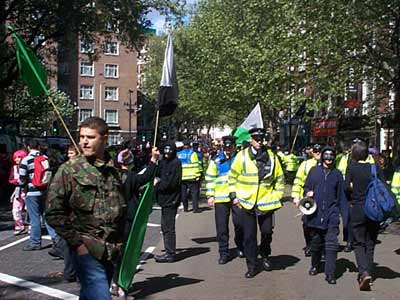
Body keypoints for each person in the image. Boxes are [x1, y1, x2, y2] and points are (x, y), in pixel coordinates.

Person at [45, 116, 160, 300]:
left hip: (111, 250)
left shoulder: (114, 171)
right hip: (87, 249)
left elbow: (123, 203)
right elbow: (53, 212)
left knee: (91, 294)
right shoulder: (69, 170)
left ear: (104, 138)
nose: (84, 141)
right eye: (82, 136)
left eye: (90, 137)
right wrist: (78, 244)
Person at [228, 127, 285, 278]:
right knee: (249, 236)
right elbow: (232, 177)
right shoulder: (242, 156)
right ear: (251, 140)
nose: (259, 142)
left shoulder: (272, 156)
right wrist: (234, 196)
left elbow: (279, 178)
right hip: (247, 202)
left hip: (267, 202)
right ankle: (252, 265)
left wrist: (278, 195)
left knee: (267, 232)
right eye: (256, 140)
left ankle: (265, 254)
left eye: (261, 140)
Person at [303, 146, 347, 285]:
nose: (329, 160)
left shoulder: (337, 175)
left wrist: (345, 217)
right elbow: (306, 187)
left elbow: (341, 197)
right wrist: (308, 192)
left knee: (331, 245)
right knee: (315, 244)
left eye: (331, 156)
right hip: (314, 215)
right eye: (326, 156)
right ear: (322, 157)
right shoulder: (314, 172)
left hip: (331, 215)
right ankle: (315, 264)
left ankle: (330, 273)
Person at [344, 140, 382, 291]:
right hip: (374, 209)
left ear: (353, 154)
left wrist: (352, 197)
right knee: (370, 242)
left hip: (358, 208)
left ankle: (363, 272)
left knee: (358, 242)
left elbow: (346, 187)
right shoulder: (375, 168)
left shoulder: (352, 167)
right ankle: (369, 273)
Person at [206, 136, 243, 265]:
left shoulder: (240, 158)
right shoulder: (216, 160)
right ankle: (223, 252)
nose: (228, 150)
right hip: (221, 199)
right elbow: (210, 178)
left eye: (230, 147)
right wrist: (210, 195)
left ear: (234, 146)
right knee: (221, 227)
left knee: (240, 224)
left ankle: (240, 246)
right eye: (225, 147)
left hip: (237, 198)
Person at [19, 139, 59, 251]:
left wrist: (23, 188)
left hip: (32, 192)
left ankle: (35, 242)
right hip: (44, 191)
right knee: (46, 216)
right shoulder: (45, 158)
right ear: (39, 147)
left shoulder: (26, 160)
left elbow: (22, 178)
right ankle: (56, 240)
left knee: (34, 218)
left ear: (28, 147)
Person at [154, 142, 182, 263]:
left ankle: (170, 254)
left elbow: (170, 183)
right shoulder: (164, 161)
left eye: (168, 153)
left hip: (171, 199)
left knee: (168, 227)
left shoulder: (175, 164)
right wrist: (154, 160)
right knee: (164, 226)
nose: (166, 155)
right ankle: (168, 251)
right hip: (164, 199)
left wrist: (158, 184)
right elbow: (157, 172)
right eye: (164, 153)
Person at [291, 143, 322, 257]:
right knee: (307, 224)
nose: (318, 153)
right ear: (312, 152)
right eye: (316, 150)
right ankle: (309, 244)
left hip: (322, 200)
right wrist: (296, 197)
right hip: (307, 200)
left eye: (320, 150)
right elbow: (298, 181)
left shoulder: (329, 164)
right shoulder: (305, 164)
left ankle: (320, 248)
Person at [177, 140, 202, 213]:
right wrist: (197, 175)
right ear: (189, 146)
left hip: (182, 177)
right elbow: (195, 165)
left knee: (183, 193)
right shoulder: (192, 154)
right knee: (194, 193)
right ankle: (195, 208)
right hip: (192, 177)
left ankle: (185, 208)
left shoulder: (178, 154)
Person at [9, 150, 28, 235]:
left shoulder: (27, 166)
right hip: (17, 190)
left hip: (27, 190)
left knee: (29, 209)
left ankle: (31, 225)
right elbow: (10, 179)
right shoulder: (14, 168)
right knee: (15, 210)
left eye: (19, 157)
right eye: (15, 157)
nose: (17, 159)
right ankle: (19, 226)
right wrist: (17, 181)